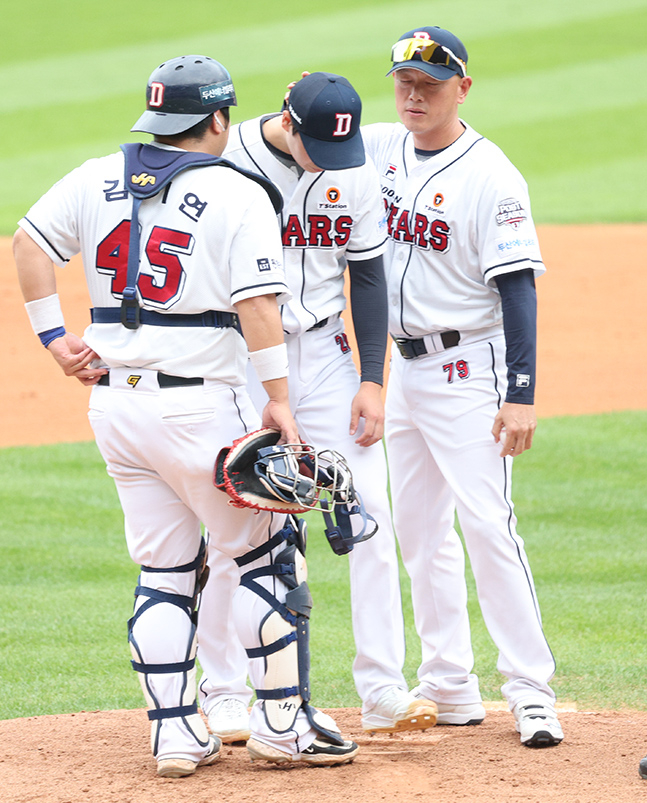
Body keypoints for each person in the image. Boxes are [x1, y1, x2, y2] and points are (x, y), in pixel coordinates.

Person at [13, 54, 360, 774]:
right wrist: (280, 402)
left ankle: (174, 731)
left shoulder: (93, 175)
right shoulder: (237, 192)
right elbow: (259, 307)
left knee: (164, 569)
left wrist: (54, 339)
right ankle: (281, 724)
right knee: (264, 556)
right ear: (218, 119)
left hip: (115, 407)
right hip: (204, 404)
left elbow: (29, 244)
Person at [196, 72, 438, 741]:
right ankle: (222, 691)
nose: (327, 163)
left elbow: (365, 270)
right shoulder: (226, 163)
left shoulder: (349, 161)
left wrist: (370, 377)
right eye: (314, 147)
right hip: (240, 356)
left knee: (366, 510)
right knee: (234, 519)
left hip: (328, 354)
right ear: (287, 120)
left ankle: (383, 685)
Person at [360, 26, 564, 747]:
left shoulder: (492, 175)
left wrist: (521, 391)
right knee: (418, 532)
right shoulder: (381, 147)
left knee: (486, 525)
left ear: (462, 89)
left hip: (469, 369)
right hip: (405, 373)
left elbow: (517, 289)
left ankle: (530, 689)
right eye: (404, 82)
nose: (414, 95)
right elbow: (307, 135)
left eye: (431, 84)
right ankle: (447, 681)